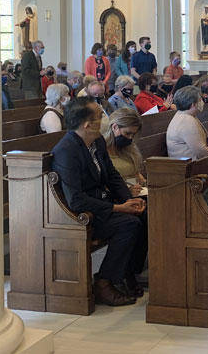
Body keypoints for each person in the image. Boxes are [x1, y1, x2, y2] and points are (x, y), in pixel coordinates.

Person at [51, 97, 147, 306]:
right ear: (88, 124)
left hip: (101, 203)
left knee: (145, 215)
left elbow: (111, 176)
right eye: (100, 116)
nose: (104, 118)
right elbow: (75, 200)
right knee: (129, 225)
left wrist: (130, 201)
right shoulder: (67, 151)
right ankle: (104, 282)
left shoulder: (96, 141)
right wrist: (118, 207)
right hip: (84, 213)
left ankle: (128, 273)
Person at [167, 86, 208, 159]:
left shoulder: (184, 115)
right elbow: (201, 150)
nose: (202, 102)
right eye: (200, 100)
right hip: (187, 166)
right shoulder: (186, 121)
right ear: (193, 104)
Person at [103, 108, 147, 190]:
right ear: (115, 127)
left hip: (137, 193)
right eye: (127, 133)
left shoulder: (128, 148)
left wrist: (145, 183)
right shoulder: (101, 151)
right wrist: (125, 191)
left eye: (133, 134)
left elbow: (135, 173)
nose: (130, 138)